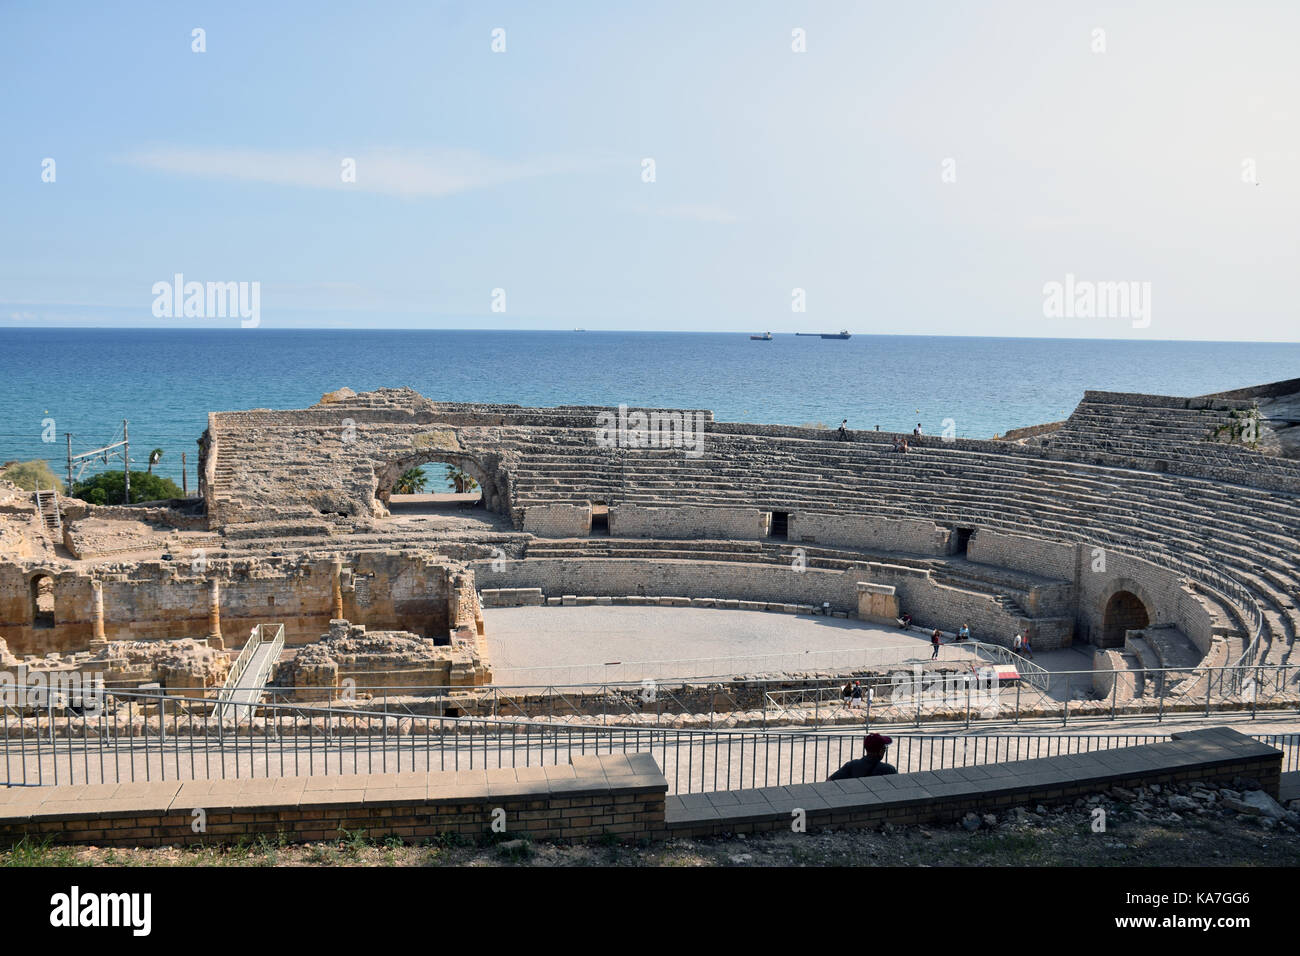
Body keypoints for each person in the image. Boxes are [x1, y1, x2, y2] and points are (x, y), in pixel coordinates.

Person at [829, 733, 898, 780]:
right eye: (884, 748)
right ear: (881, 751)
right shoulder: (889, 770)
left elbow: (829, 781)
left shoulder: (851, 765)